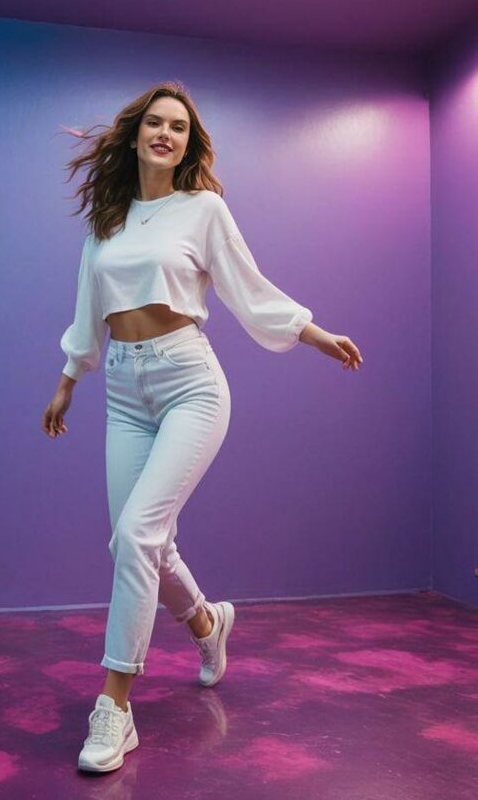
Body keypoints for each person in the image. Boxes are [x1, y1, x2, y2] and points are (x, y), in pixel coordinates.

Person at [42, 82, 363, 774]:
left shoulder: (203, 209)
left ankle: (115, 708)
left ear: (188, 144)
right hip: (123, 390)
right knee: (139, 543)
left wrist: (315, 333)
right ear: (136, 135)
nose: (166, 134)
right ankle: (208, 623)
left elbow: (250, 288)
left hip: (190, 383)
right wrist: (68, 381)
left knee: (136, 536)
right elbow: (88, 309)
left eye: (179, 128)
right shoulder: (107, 221)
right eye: (155, 123)